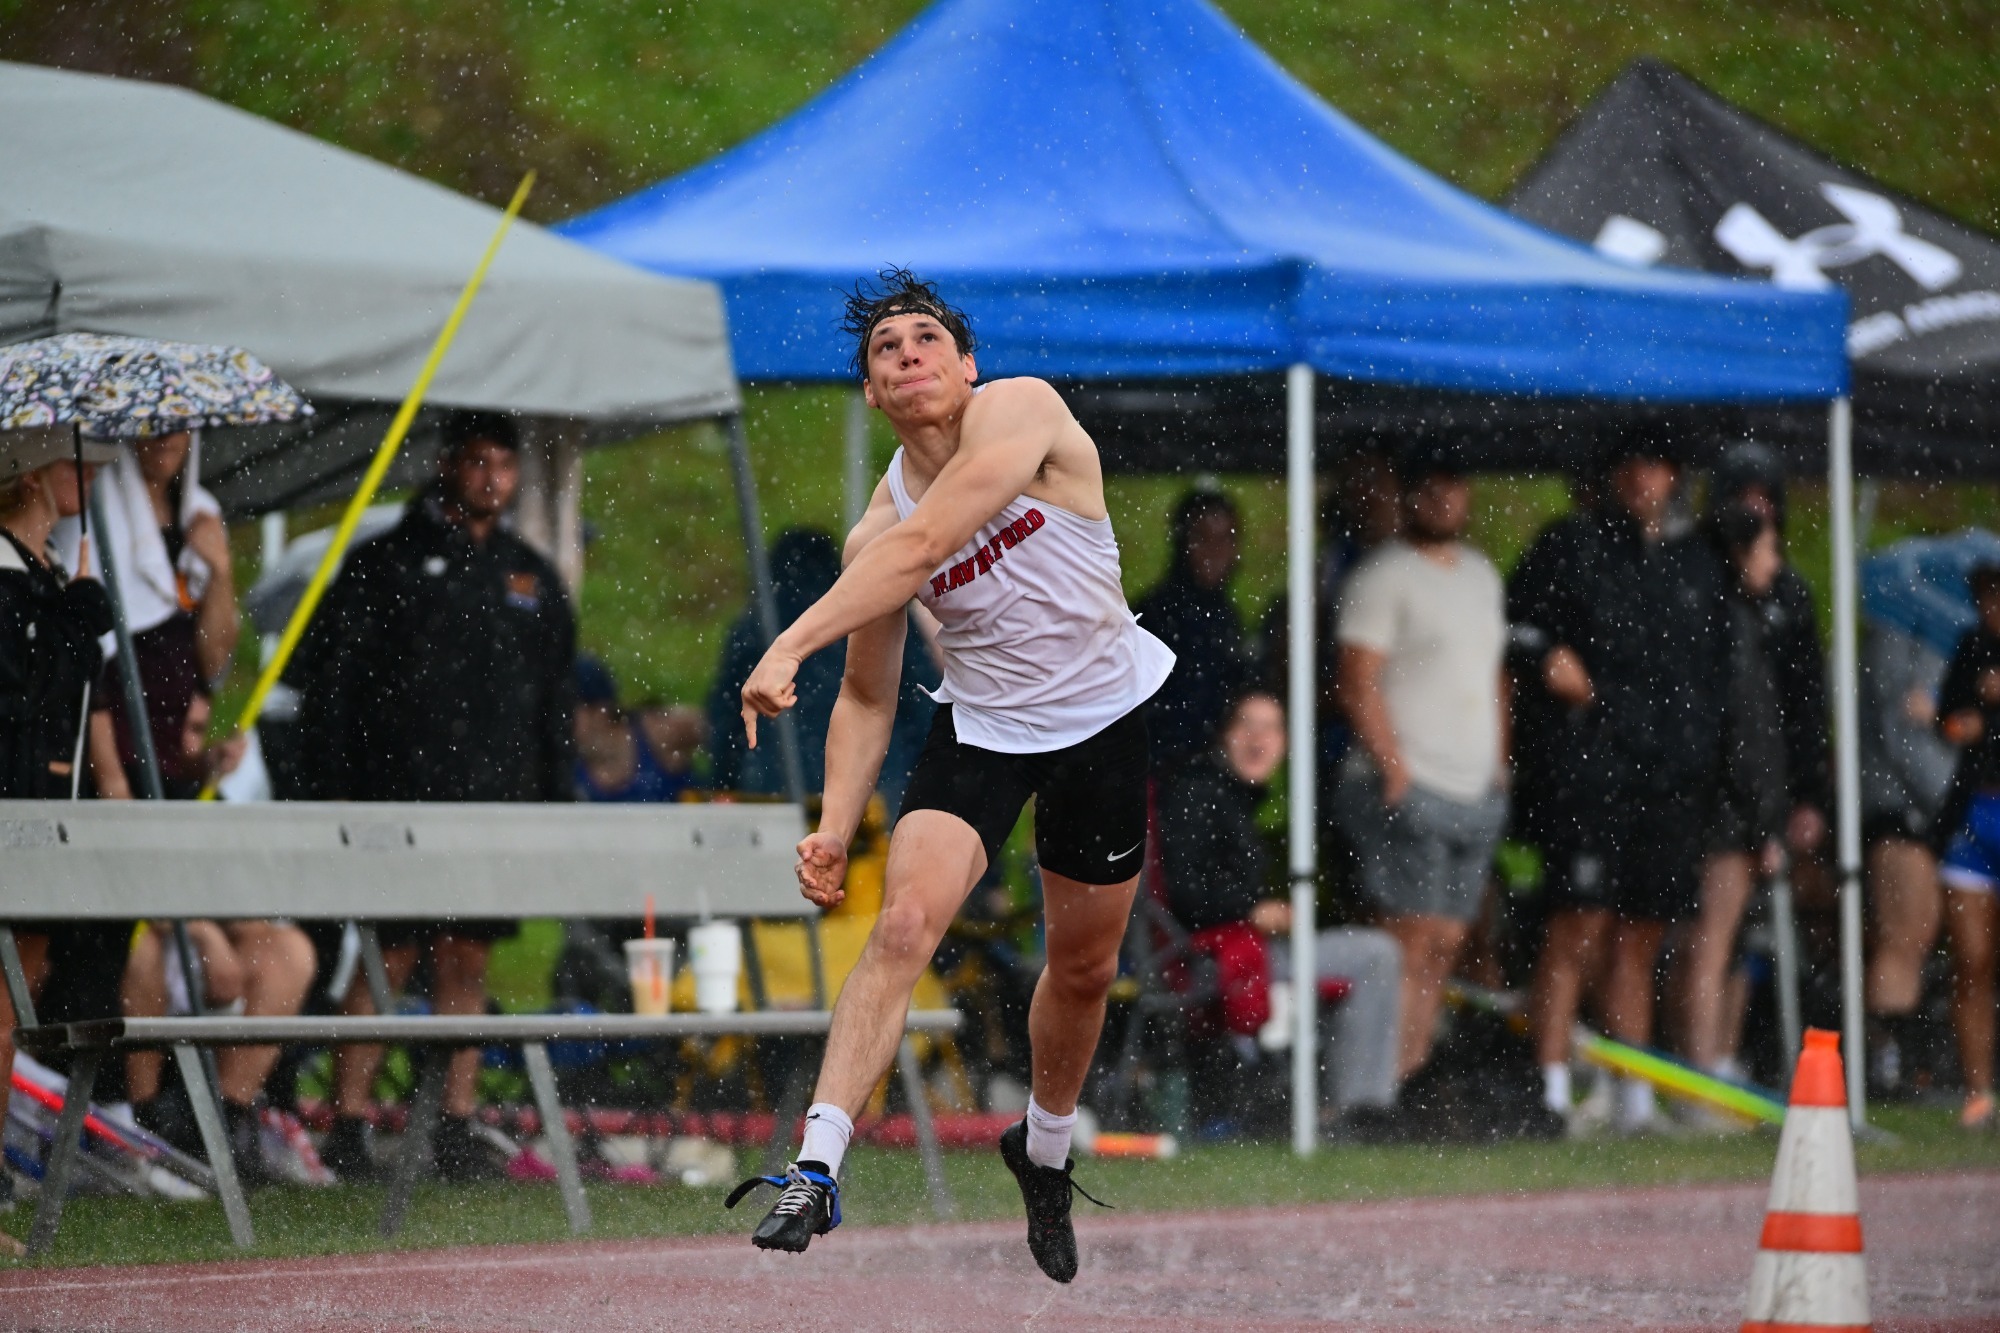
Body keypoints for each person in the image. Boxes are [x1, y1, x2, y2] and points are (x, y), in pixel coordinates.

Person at [729, 269, 1174, 1282]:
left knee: (1081, 968)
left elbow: (927, 542)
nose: (907, 355)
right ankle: (813, 1168)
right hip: (982, 731)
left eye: (925, 339)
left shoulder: (1022, 409)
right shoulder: (870, 530)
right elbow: (869, 698)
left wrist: (784, 643)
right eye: (885, 352)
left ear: (964, 365)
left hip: (1100, 719)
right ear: (873, 396)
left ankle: (1044, 1147)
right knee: (898, 928)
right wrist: (835, 824)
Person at [291, 410, 576, 1182]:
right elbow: (336, 688)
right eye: (477, 461)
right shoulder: (385, 563)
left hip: (494, 806)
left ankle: (453, 1119)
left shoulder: (529, 575)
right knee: (388, 953)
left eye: (504, 464)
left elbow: (552, 702)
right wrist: (343, 793)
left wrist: (553, 802)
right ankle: (347, 1121)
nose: (491, 478)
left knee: (467, 956)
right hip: (401, 801)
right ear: (447, 464)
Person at [1513, 442, 1729, 1134]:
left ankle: (1633, 1096)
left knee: (1641, 934)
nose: (1642, 478)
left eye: (1657, 464)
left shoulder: (1697, 562)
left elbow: (1719, 671)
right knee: (1576, 924)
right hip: (1591, 770)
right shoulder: (1570, 544)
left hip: (1667, 779)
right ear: (1609, 474)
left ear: (1675, 476)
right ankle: (1546, 1090)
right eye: (1629, 464)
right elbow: (1514, 626)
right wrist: (1548, 655)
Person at [1332, 456, 1508, 1084]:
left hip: (1473, 786)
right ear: (1407, 496)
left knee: (1447, 943)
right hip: (1411, 784)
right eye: (1428, 485)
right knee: (1408, 937)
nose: (1443, 496)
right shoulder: (1384, 575)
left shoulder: (1482, 576)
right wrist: (1393, 767)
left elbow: (1492, 677)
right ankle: (1380, 1085)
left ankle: (1411, 1072)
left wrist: (1500, 764)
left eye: (1454, 482)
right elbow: (1357, 680)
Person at [1158, 690, 1402, 1137]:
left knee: (1373, 951)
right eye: (1246, 725)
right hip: (1216, 958)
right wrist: (1251, 910)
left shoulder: (1229, 794)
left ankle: (1341, 1104)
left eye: (1270, 728)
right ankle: (1356, 1110)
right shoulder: (1198, 791)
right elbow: (1186, 892)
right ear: (1224, 736)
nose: (1258, 738)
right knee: (1376, 954)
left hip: (1237, 950)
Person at [0, 424, 118, 1245]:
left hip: (42, 815)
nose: (92, 473)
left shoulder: (37, 572)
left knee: (14, 1003)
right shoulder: (9, 578)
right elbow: (22, 700)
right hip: (12, 812)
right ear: (33, 471)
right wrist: (76, 621)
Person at [1672, 504, 1791, 1087]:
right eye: (1767, 550)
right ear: (1740, 553)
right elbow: (1742, 731)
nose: (1776, 564)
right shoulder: (1727, 624)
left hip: (1735, 807)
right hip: (1725, 812)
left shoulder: (1740, 619)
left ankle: (1717, 1060)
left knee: (1731, 942)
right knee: (1712, 943)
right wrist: (1760, 818)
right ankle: (1701, 1073)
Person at [70, 430, 244, 799]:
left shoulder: (202, 516)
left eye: (178, 422)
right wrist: (111, 781)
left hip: (163, 771)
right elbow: (88, 666)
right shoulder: (93, 517)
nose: (165, 436)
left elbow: (213, 665)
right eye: (151, 424)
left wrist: (220, 571)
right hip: (110, 769)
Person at [1859, 614, 1957, 1096]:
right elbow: (1903, 736)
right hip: (1902, 810)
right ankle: (1885, 1065)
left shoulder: (1949, 634)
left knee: (1919, 934)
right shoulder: (1898, 639)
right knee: (1903, 933)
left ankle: (1903, 1061)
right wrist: (1953, 800)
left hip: (1928, 810)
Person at [1934, 561, 2000, 1130]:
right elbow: (1945, 722)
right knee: (1972, 960)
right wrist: (1967, 720)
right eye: (1986, 597)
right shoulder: (1971, 647)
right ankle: (1978, 1091)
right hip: (1975, 812)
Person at [1136, 489, 1247, 775]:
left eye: (1225, 539)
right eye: (1202, 538)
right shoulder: (1154, 616)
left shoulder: (1227, 617)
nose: (1215, 550)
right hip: (1162, 774)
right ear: (1181, 543)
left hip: (1215, 773)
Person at [574, 656, 705, 803]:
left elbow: (719, 726)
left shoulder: (655, 731)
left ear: (600, 711)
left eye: (566, 710)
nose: (558, 720)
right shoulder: (561, 765)